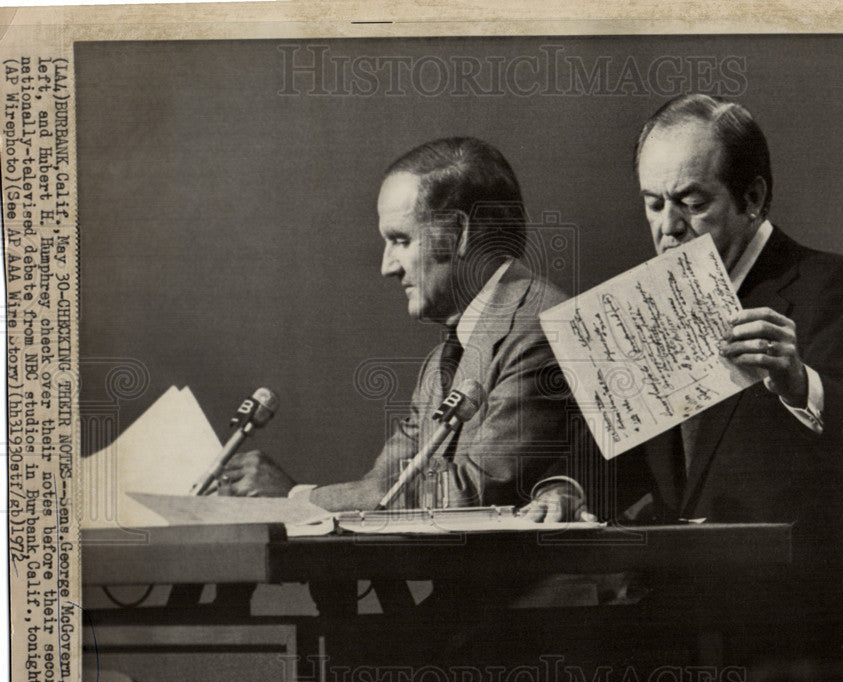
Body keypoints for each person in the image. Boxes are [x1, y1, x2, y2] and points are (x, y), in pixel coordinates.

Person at [532, 93, 843, 560]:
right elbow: (618, 446)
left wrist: (801, 386)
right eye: (653, 205)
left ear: (751, 199)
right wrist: (568, 488)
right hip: (679, 595)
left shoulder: (838, 285)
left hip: (799, 604)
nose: (668, 227)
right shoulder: (652, 303)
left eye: (691, 203)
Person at [217, 136, 577, 513]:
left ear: (457, 233)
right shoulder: (446, 355)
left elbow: (474, 492)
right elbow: (384, 484)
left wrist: (296, 497)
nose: (387, 266)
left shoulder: (542, 329)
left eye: (401, 240)